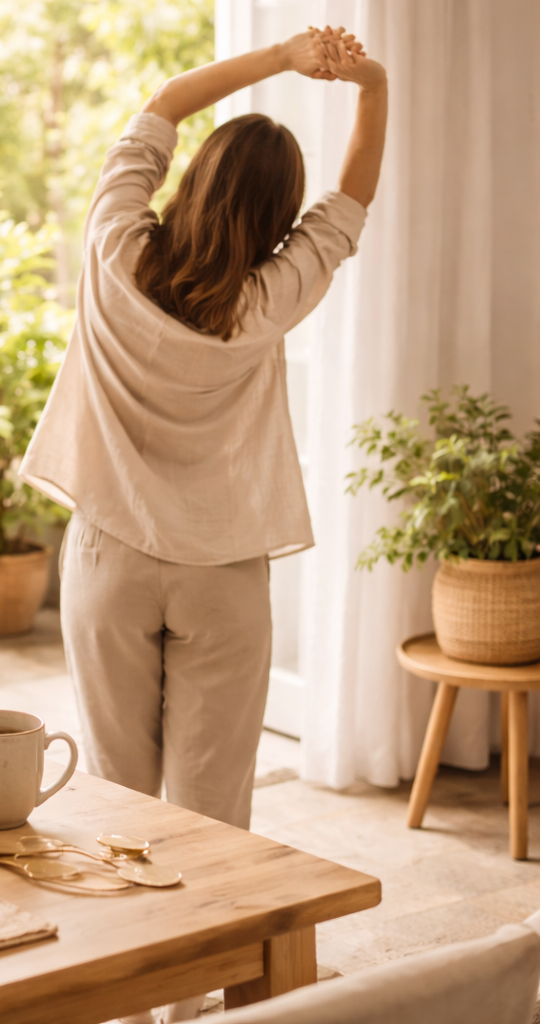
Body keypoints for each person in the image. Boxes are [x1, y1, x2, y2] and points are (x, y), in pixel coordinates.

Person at [21, 16, 385, 923]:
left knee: (118, 796)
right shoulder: (268, 299)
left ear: (191, 180)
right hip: (223, 572)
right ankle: (203, 974)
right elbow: (351, 201)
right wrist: (370, 85)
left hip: (108, 557)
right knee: (213, 809)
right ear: (278, 220)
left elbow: (165, 104)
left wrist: (284, 58)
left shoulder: (115, 246)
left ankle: (132, 972)